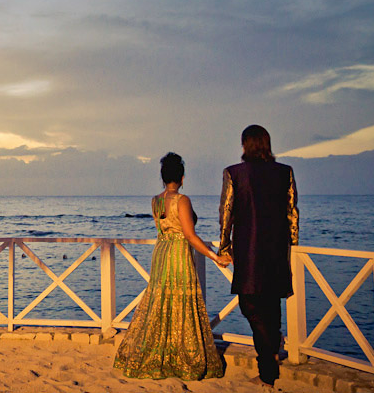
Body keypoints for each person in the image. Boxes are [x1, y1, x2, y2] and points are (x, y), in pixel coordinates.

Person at [114, 152, 228, 380]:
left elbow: (164, 227)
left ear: (163, 177)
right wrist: (215, 257)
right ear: (183, 178)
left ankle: (159, 353)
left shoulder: (155, 200)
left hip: (161, 251)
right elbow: (190, 235)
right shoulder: (182, 200)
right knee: (181, 301)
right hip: (177, 254)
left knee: (160, 301)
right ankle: (182, 355)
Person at [218, 125, 299, 388]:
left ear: (245, 145)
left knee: (250, 304)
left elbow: (226, 211)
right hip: (276, 247)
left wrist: (224, 245)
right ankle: (272, 353)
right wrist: (293, 243)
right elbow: (292, 210)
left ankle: (268, 368)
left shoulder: (234, 173)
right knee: (271, 304)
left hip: (249, 245)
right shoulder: (284, 172)